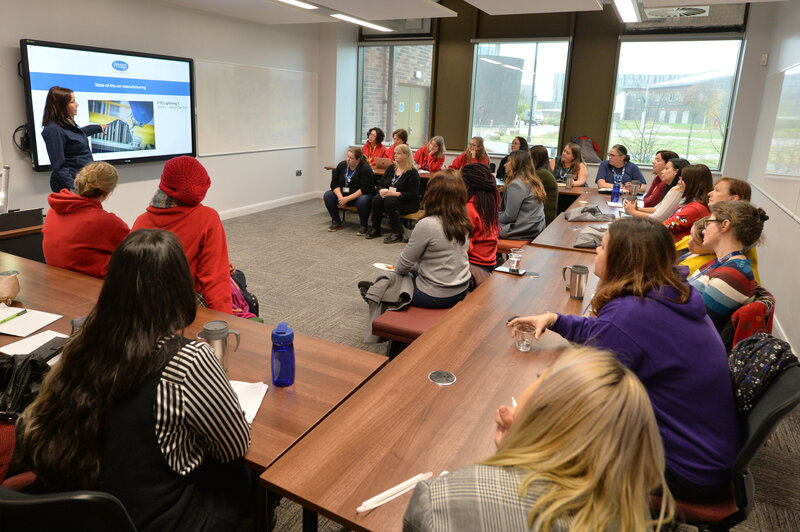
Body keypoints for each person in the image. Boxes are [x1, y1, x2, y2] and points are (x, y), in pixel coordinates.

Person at [17, 229, 252, 532]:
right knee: (244, 477)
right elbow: (233, 447)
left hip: (91, 514)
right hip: (159, 520)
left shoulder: (80, 343)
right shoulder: (189, 360)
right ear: (180, 287)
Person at [508, 218, 740, 502]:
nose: (595, 249)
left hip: (684, 470)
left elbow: (582, 394)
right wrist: (555, 320)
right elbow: (610, 332)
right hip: (704, 453)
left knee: (544, 453)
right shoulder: (665, 294)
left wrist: (522, 417)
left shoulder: (632, 314)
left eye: (603, 246)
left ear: (622, 259)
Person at [403, 346, 675, 532]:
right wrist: (519, 444)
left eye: (540, 377)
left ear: (545, 403)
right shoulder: (631, 513)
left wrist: (508, 462)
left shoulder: (439, 500)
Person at [132, 156, 233, 313]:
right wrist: (224, 325)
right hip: (183, 307)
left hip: (144, 307)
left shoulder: (140, 222)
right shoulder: (207, 218)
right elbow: (215, 279)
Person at [392, 171, 471, 307]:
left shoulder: (427, 224)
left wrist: (407, 270)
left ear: (432, 194)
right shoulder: (464, 220)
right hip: (462, 288)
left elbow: (402, 267)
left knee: (388, 282)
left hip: (437, 295)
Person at [42, 161, 130, 278]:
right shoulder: (106, 221)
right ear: (106, 193)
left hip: (56, 281)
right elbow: (135, 248)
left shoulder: (53, 211)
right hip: (92, 286)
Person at [688, 200, 768, 329]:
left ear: (724, 225)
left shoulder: (734, 275)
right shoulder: (721, 262)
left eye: (708, 223)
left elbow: (694, 323)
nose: (703, 231)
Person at [41, 86, 109, 192]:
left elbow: (76, 135)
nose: (77, 104)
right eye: (72, 102)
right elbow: (59, 167)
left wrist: (97, 128)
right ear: (61, 106)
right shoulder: (53, 129)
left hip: (83, 185)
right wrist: (74, 190)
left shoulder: (67, 124)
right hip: (72, 189)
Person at [366, 144, 420, 243]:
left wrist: (394, 194)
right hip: (390, 197)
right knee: (377, 199)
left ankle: (397, 232)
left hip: (408, 202)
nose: (395, 155)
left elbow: (413, 195)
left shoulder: (412, 173)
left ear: (407, 155)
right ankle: (375, 228)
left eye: (399, 153)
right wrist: (381, 190)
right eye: (395, 153)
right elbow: (381, 183)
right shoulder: (391, 168)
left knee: (390, 201)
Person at [323, 147, 375, 234]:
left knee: (363, 200)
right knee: (328, 195)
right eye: (347, 156)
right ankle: (336, 221)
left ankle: (363, 225)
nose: (348, 159)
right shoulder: (342, 165)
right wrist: (340, 197)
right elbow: (334, 184)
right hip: (343, 194)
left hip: (360, 195)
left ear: (358, 159)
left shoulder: (365, 169)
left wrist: (347, 199)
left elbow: (364, 189)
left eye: (351, 158)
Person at [498, 150, 546, 240]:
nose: (505, 165)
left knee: (482, 227)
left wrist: (493, 216)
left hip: (523, 230)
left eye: (508, 161)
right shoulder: (530, 180)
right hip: (535, 227)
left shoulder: (516, 184)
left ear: (517, 164)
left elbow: (509, 216)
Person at [623, 158, 690, 223]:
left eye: (666, 169)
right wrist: (637, 209)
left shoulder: (677, 190)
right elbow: (655, 209)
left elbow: (657, 218)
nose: (662, 171)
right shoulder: (672, 187)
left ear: (676, 172)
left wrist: (632, 212)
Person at [461, 164, 500, 272]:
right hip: (490, 260)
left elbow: (465, 248)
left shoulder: (469, 208)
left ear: (467, 185)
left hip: (473, 265)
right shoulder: (489, 200)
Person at [662, 164, 714, 241]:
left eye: (682, 179)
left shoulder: (694, 208)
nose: (679, 182)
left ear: (693, 183)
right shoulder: (690, 202)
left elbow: (664, 227)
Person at [529, 145, 559, 225]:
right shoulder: (544, 171)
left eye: (529, 158)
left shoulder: (541, 173)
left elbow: (523, 186)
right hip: (542, 216)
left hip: (544, 220)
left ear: (535, 160)